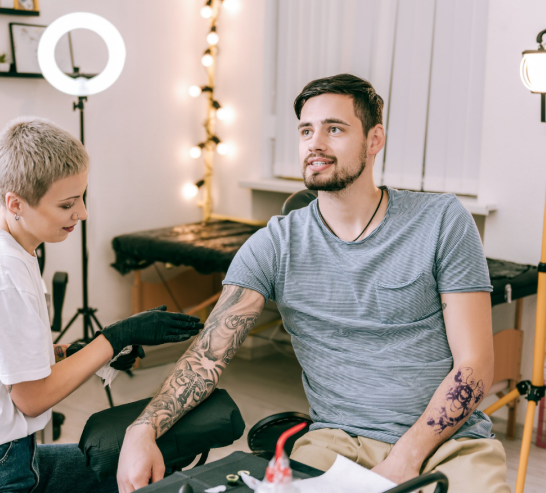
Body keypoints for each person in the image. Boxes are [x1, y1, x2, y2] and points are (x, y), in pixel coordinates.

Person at [116, 74, 508, 493]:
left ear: (375, 140)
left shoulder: (441, 220)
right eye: (306, 130)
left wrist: (404, 459)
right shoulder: (275, 244)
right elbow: (207, 357)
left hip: (448, 442)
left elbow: (476, 365)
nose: (314, 143)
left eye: (334, 129)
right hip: (335, 441)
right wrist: (141, 430)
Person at [0, 116, 203, 493]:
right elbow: (32, 399)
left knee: (135, 457)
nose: (81, 213)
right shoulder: (2, 273)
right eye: (68, 204)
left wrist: (74, 352)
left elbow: (2, 358)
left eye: (82, 197)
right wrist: (115, 337)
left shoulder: (6, 245)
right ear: (15, 203)